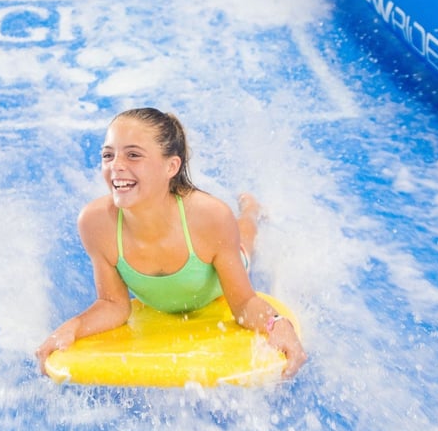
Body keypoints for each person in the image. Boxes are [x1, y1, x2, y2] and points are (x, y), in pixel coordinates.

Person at [35, 108, 308, 379]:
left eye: (133, 155)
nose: (115, 165)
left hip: (212, 285)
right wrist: (73, 326)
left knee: (244, 241)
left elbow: (244, 303)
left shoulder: (210, 217)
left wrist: (276, 325)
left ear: (171, 166)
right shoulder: (95, 223)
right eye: (108, 155)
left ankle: (251, 210)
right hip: (172, 283)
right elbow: (113, 304)